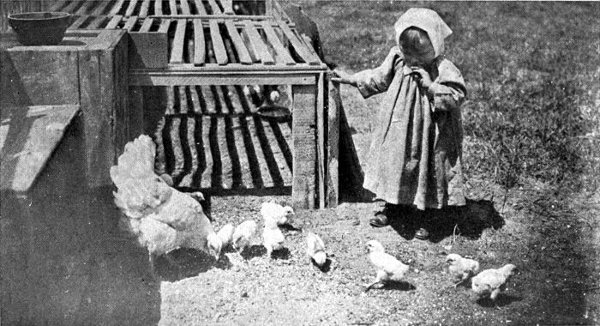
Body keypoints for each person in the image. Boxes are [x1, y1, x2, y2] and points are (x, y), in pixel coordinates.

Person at [332, 8, 467, 240]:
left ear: (434, 45)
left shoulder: (443, 68)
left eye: (420, 55)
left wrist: (431, 86)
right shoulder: (397, 59)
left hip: (430, 132)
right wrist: (351, 78)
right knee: (396, 162)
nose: (413, 60)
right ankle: (392, 208)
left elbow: (456, 96)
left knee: (425, 167)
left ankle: (425, 217)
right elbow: (378, 78)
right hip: (398, 127)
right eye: (408, 54)